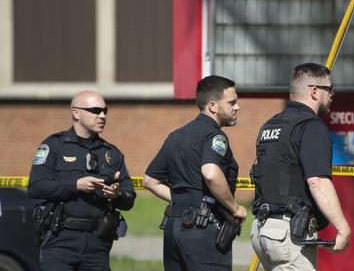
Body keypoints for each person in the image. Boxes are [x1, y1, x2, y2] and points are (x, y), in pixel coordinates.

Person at [250, 63, 351, 270]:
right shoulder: (311, 126)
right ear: (314, 91)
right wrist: (342, 228)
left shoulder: (270, 125)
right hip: (289, 235)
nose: (332, 95)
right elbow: (317, 182)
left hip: (262, 230)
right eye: (329, 89)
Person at [143, 75, 247, 271]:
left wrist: (183, 201)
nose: (237, 107)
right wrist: (235, 209)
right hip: (203, 230)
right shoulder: (215, 136)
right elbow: (210, 173)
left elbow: (150, 181)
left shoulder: (176, 136)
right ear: (213, 106)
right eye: (232, 102)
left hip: (174, 227)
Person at [27, 90, 136, 271]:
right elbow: (36, 188)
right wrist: (75, 186)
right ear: (76, 113)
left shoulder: (111, 153)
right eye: (95, 110)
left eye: (104, 111)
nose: (102, 116)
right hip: (59, 240)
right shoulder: (54, 145)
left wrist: (116, 195)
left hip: (97, 243)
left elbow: (129, 199)